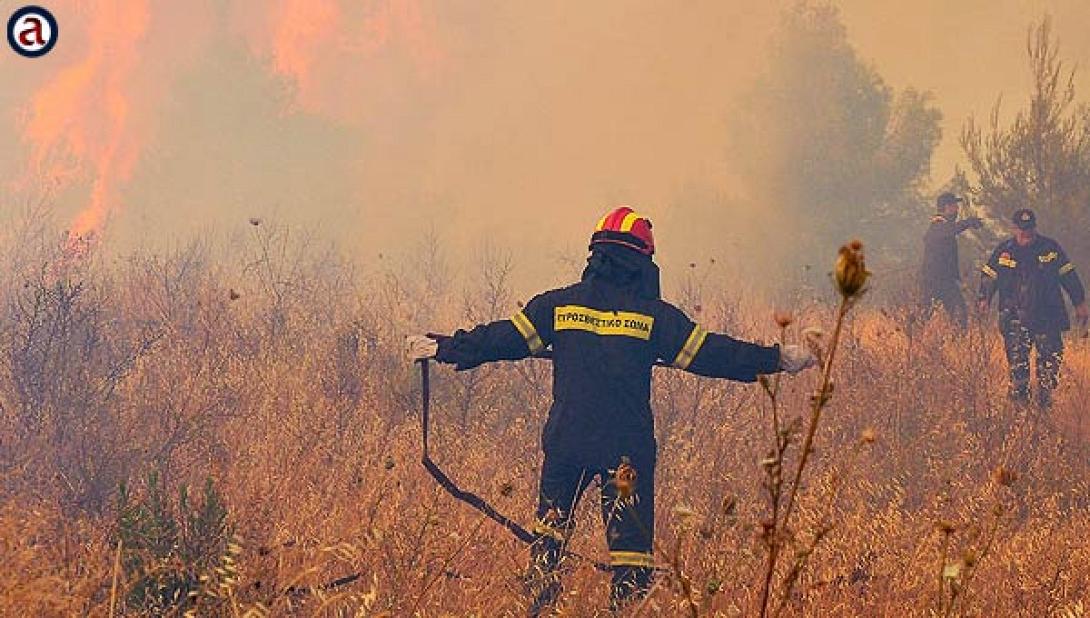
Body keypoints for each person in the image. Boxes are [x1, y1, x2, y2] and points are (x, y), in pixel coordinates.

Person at [409, 206, 817, 614]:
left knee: (548, 548)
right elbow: (714, 354)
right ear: (641, 262)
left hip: (566, 445)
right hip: (626, 452)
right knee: (631, 564)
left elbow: (501, 339)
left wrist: (444, 348)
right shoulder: (655, 318)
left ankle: (538, 607)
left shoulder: (557, 307)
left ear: (596, 255)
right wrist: (777, 358)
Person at [977, 208, 1087, 408]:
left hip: (1047, 317)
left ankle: (1044, 407)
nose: (1025, 234)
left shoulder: (1050, 248)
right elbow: (989, 276)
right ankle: (1020, 411)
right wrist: (984, 299)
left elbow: (1068, 275)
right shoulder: (1004, 251)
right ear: (1013, 229)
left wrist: (1079, 302)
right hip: (1014, 320)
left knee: (1049, 366)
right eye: (1021, 229)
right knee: (1018, 369)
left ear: (1035, 228)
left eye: (1029, 229)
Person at [919, 192, 982, 328]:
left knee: (959, 313)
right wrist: (968, 222)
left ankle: (958, 344)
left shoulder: (944, 225)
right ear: (946, 207)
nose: (957, 209)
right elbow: (949, 230)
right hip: (934, 281)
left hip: (946, 280)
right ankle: (912, 341)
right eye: (954, 206)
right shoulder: (938, 224)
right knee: (924, 315)